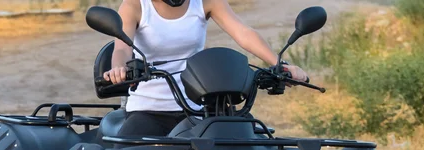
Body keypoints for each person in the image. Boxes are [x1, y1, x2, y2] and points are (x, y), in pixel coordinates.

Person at [103, 0, 310, 137]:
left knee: (250, 147)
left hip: (200, 107)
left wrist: (279, 64)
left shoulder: (205, 2)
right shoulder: (135, 5)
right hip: (149, 110)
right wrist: (119, 68)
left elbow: (243, 33)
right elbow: (122, 47)